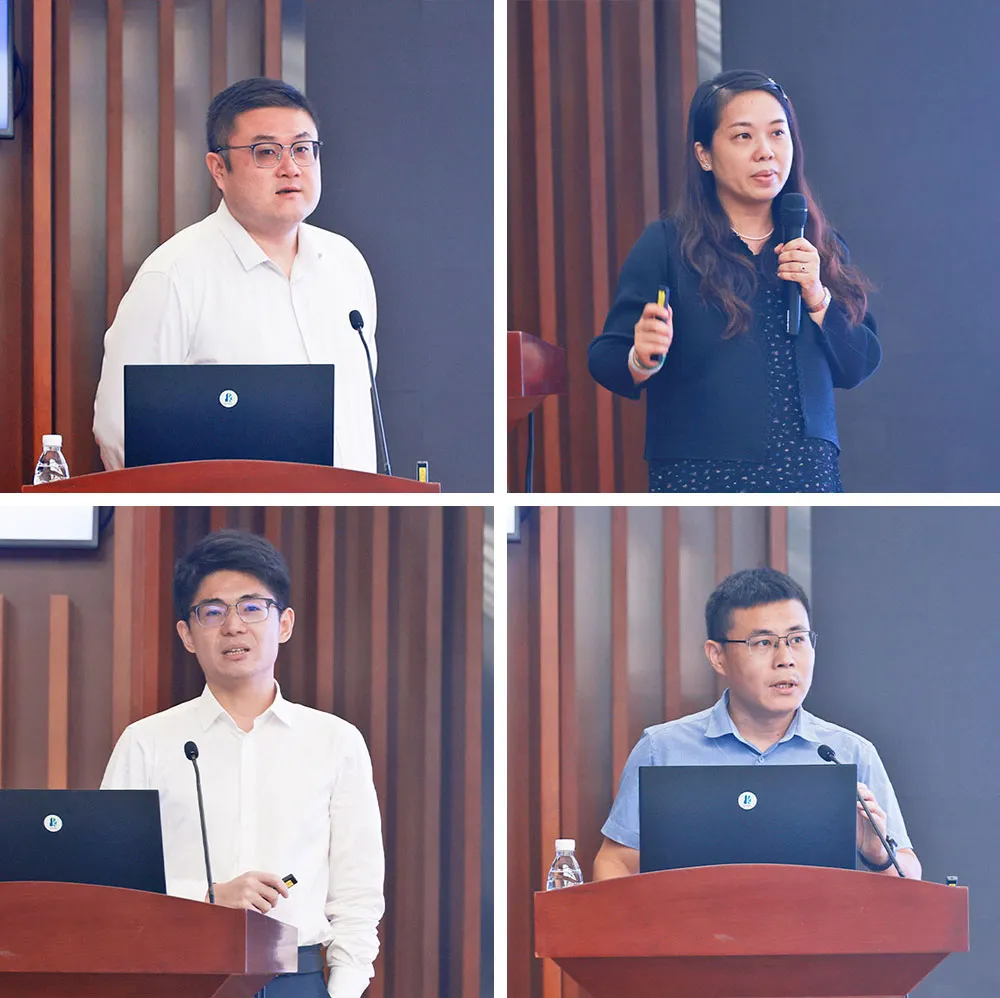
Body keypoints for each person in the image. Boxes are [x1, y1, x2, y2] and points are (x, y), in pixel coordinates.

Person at [102, 529, 384, 998]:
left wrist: (344, 990)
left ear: (284, 624)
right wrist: (207, 897)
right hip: (176, 974)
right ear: (187, 635)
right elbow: (112, 883)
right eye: (213, 612)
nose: (233, 626)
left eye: (252, 607)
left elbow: (357, 893)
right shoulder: (146, 742)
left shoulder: (336, 741)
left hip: (297, 979)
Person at [587, 70, 880, 492]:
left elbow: (859, 363)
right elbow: (605, 357)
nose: (766, 152)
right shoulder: (667, 244)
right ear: (704, 155)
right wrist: (641, 358)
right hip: (699, 472)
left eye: (777, 134)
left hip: (807, 472)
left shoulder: (819, 246)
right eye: (743, 136)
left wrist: (817, 296)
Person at [92, 77, 377, 472]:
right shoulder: (173, 276)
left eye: (302, 149)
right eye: (266, 152)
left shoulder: (346, 263)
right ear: (218, 169)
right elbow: (121, 429)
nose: (290, 168)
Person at [593, 566, 920, 881]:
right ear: (717, 656)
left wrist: (877, 853)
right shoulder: (662, 749)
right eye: (763, 643)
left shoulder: (848, 753)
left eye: (797, 639)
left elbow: (909, 878)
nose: (786, 659)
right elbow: (616, 862)